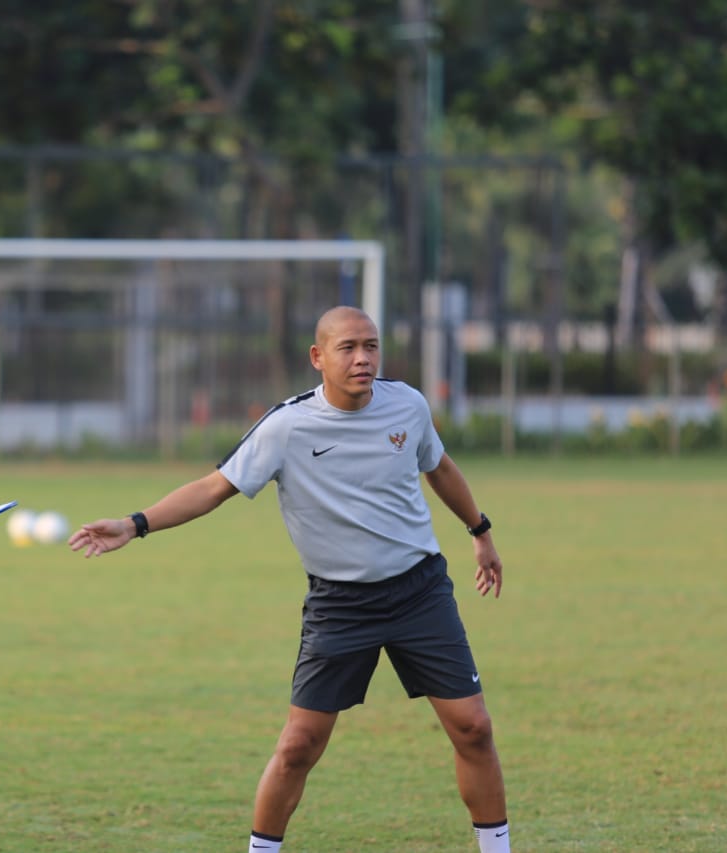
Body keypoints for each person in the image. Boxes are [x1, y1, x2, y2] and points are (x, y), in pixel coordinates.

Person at [68, 306, 511, 853]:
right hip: (341, 604)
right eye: (348, 347)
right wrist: (134, 525)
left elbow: (438, 466)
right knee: (300, 744)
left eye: (371, 346)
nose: (363, 358)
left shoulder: (407, 405)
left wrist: (479, 530)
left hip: (419, 591)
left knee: (475, 728)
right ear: (317, 357)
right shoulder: (287, 426)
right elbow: (213, 488)